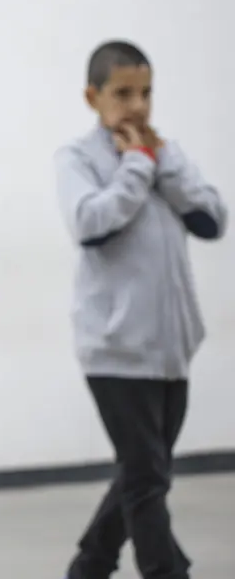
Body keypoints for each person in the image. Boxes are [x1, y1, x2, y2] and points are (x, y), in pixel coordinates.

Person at [55, 40, 226, 579]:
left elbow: (212, 218)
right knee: (148, 477)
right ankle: (165, 571)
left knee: (143, 471)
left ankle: (91, 564)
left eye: (146, 92)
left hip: (172, 350)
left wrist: (162, 161)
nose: (137, 105)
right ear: (92, 95)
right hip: (115, 351)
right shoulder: (78, 159)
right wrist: (134, 168)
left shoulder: (163, 153)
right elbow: (90, 224)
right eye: (123, 92)